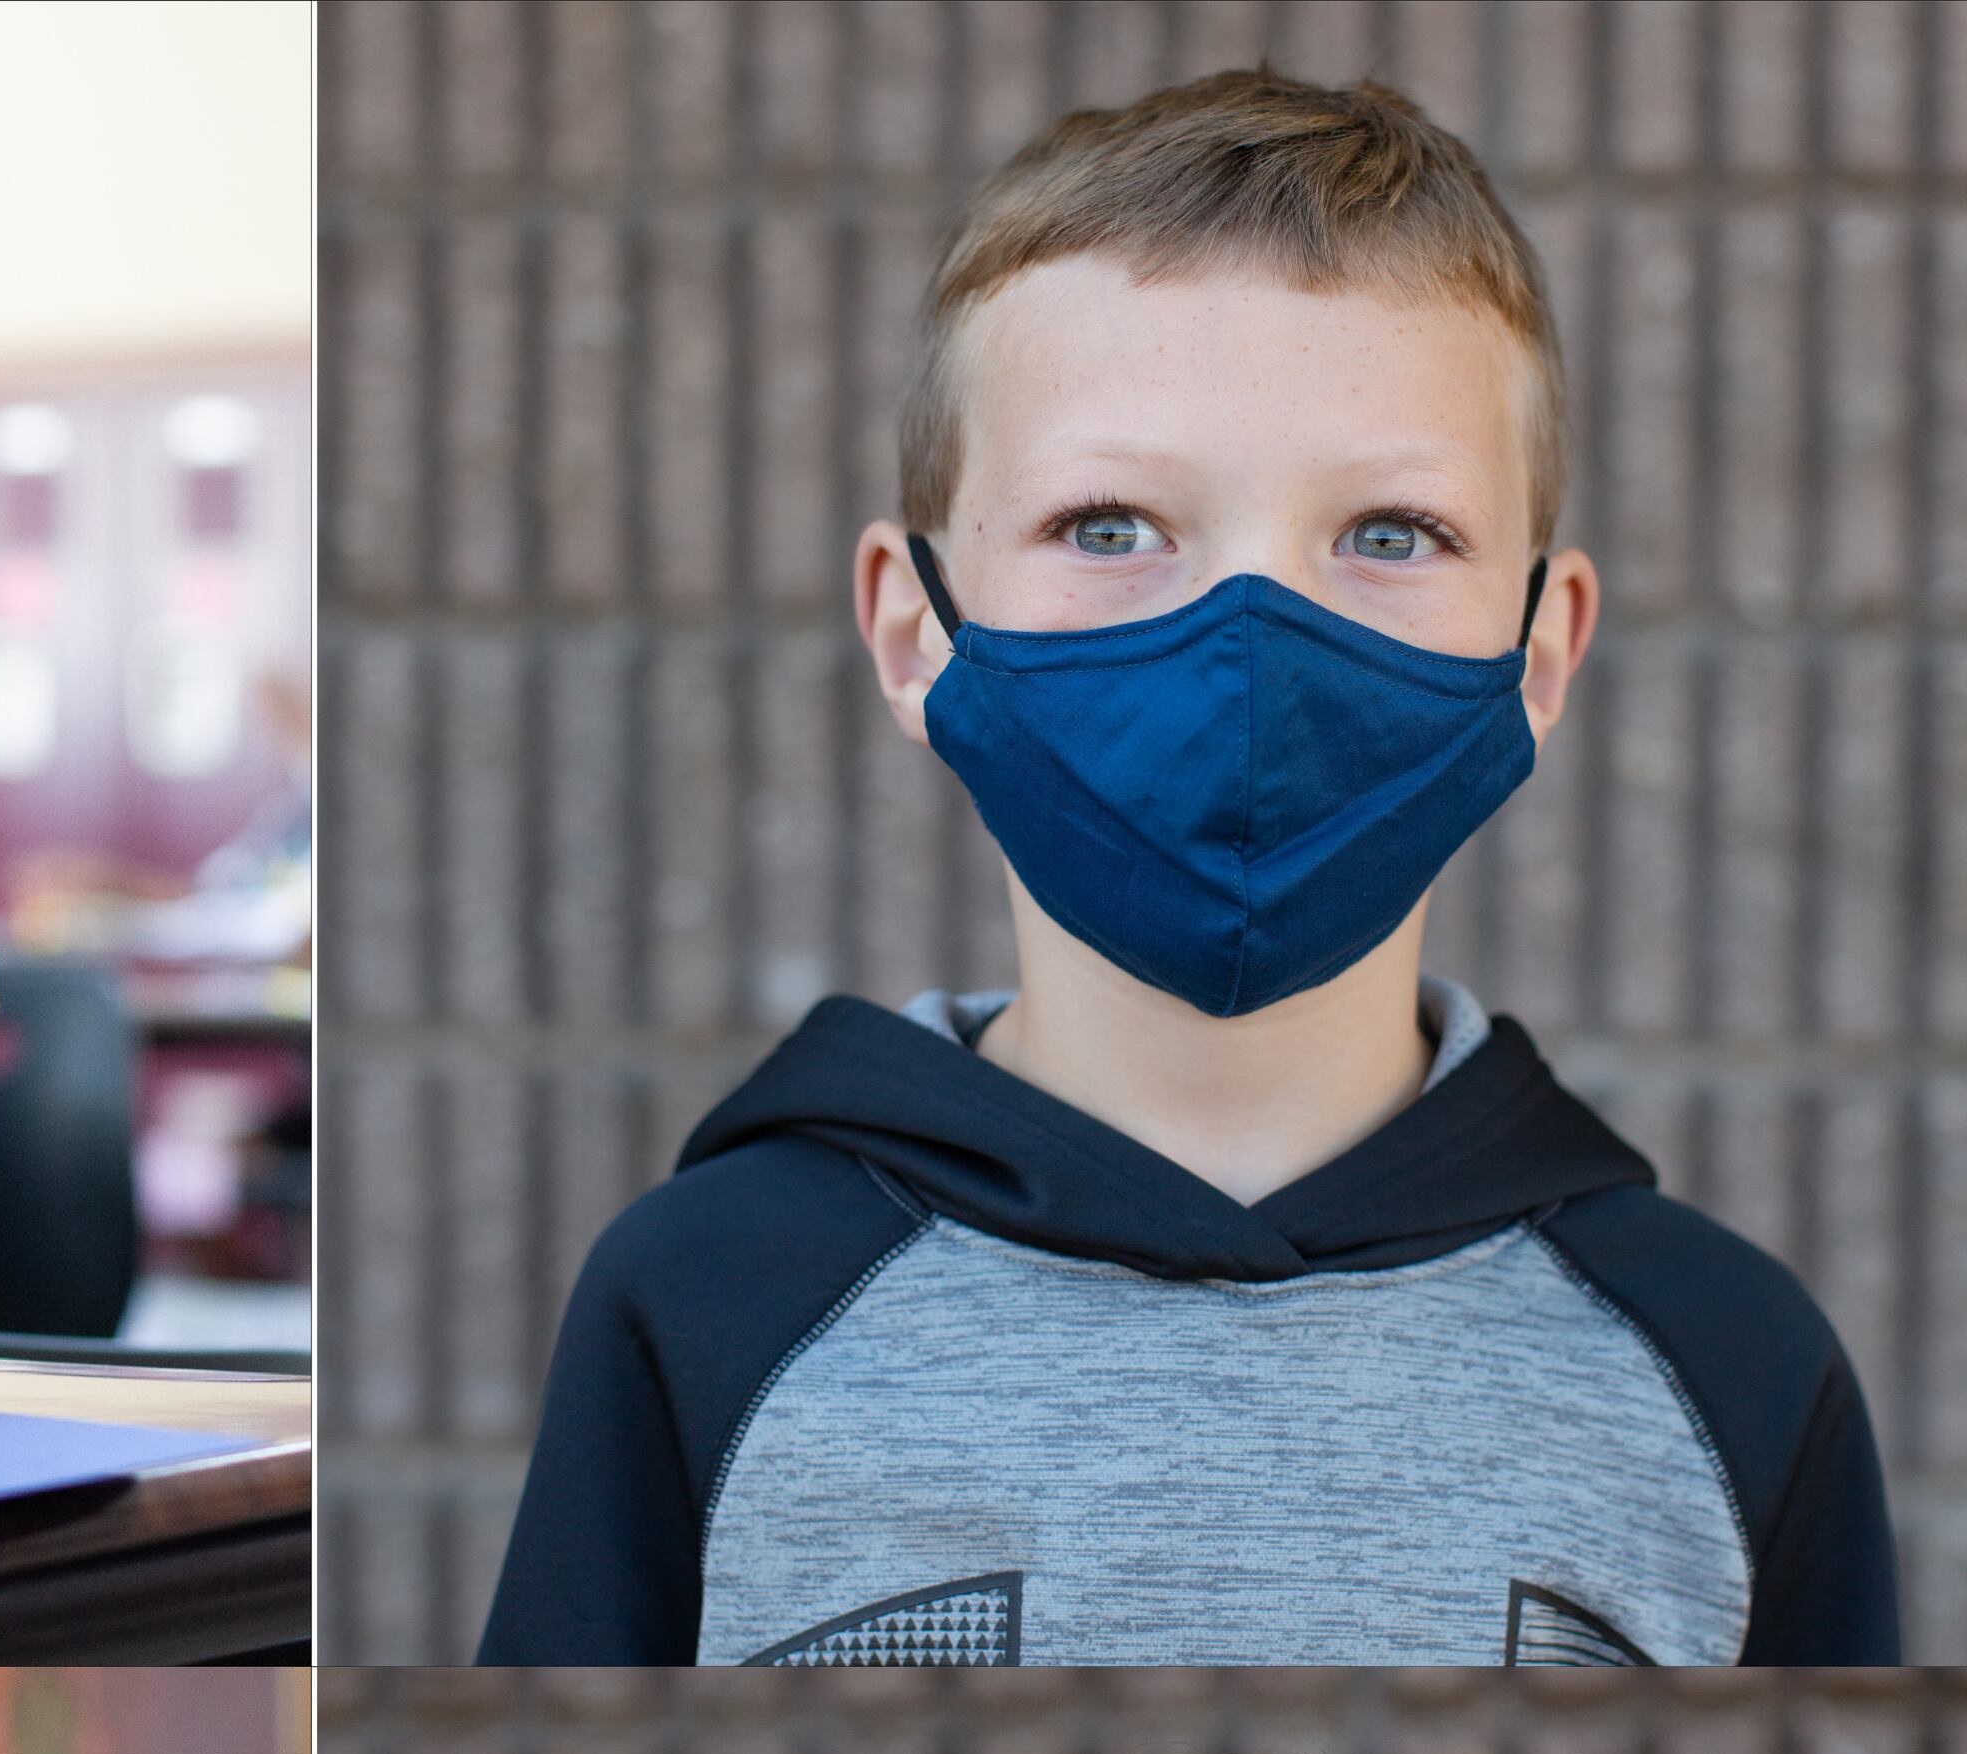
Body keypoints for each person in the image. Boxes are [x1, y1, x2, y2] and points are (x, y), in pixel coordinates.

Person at [473, 69, 1895, 1667]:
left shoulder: (1731, 1367)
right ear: (916, 627)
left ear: (1542, 649)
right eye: (1109, 526)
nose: (1250, 644)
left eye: (1390, 532)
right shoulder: (700, 1304)